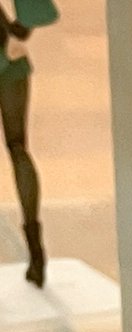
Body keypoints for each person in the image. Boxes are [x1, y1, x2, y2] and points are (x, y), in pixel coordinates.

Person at [0, 0, 58, 287]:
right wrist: (17, 32)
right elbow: (36, 8)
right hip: (10, 60)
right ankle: (36, 252)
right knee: (18, 147)